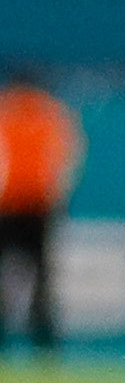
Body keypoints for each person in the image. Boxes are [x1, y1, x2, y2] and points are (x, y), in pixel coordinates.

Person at [0, 73, 70, 351]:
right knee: (42, 277)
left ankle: (41, 339)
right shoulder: (52, 115)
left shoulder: (7, 114)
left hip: (10, 207)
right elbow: (63, 164)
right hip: (38, 207)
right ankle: (45, 343)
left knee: (30, 275)